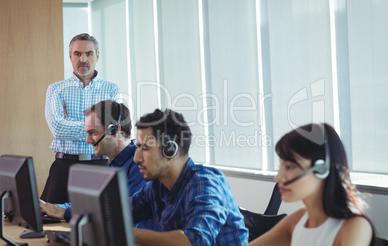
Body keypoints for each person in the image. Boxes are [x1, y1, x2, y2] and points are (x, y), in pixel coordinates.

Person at [131, 108, 248, 246]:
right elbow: (122, 213)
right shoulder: (157, 187)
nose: (136, 158)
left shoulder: (206, 184)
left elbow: (195, 241)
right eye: (137, 148)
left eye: (144, 148)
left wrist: (126, 232)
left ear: (170, 150)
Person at [247, 123, 376, 246]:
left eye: (290, 166)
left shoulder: (354, 226)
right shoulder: (299, 219)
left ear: (321, 169)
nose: (278, 177)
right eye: (280, 166)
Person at [41, 33, 121, 204]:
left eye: (89, 54)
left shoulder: (112, 90)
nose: (83, 59)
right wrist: (95, 127)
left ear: (97, 56)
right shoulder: (56, 89)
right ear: (70, 56)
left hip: (101, 167)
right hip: (64, 167)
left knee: (100, 222)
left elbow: (111, 129)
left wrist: (69, 122)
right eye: (77, 54)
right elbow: (57, 128)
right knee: (50, 220)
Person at [40, 100, 146, 221]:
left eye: (93, 133)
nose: (88, 140)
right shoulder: (112, 164)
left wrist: (64, 212)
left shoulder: (140, 165)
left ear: (114, 130)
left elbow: (121, 210)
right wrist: (51, 207)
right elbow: (91, 204)